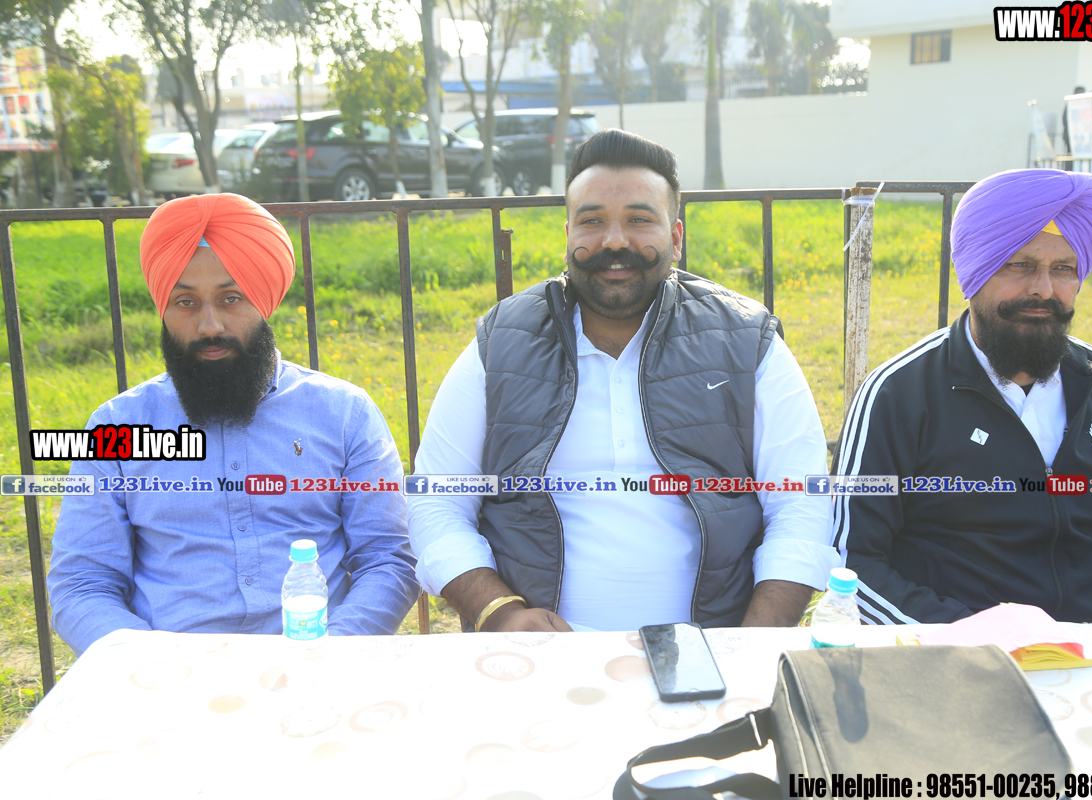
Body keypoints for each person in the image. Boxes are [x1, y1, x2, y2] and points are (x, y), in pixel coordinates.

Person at [408, 129, 838, 633]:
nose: (614, 241)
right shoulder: (502, 342)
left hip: (712, 650)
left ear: (676, 237)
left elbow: (800, 504)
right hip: (539, 659)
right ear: (568, 235)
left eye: (639, 219)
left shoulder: (746, 341)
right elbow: (437, 498)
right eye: (592, 221)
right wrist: (501, 615)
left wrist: (747, 648)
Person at [48, 193, 420, 654]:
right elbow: (82, 583)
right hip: (166, 670)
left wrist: (330, 653)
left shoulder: (344, 413)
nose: (209, 326)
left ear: (263, 301)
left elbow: (387, 560)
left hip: (319, 661)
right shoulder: (117, 427)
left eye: (231, 298)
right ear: (164, 311)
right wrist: (153, 664)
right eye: (185, 302)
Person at [833, 169, 1092, 625]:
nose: (1043, 288)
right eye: (1019, 265)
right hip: (956, 651)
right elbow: (851, 560)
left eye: (1063, 269)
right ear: (976, 270)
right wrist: (968, 639)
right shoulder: (899, 393)